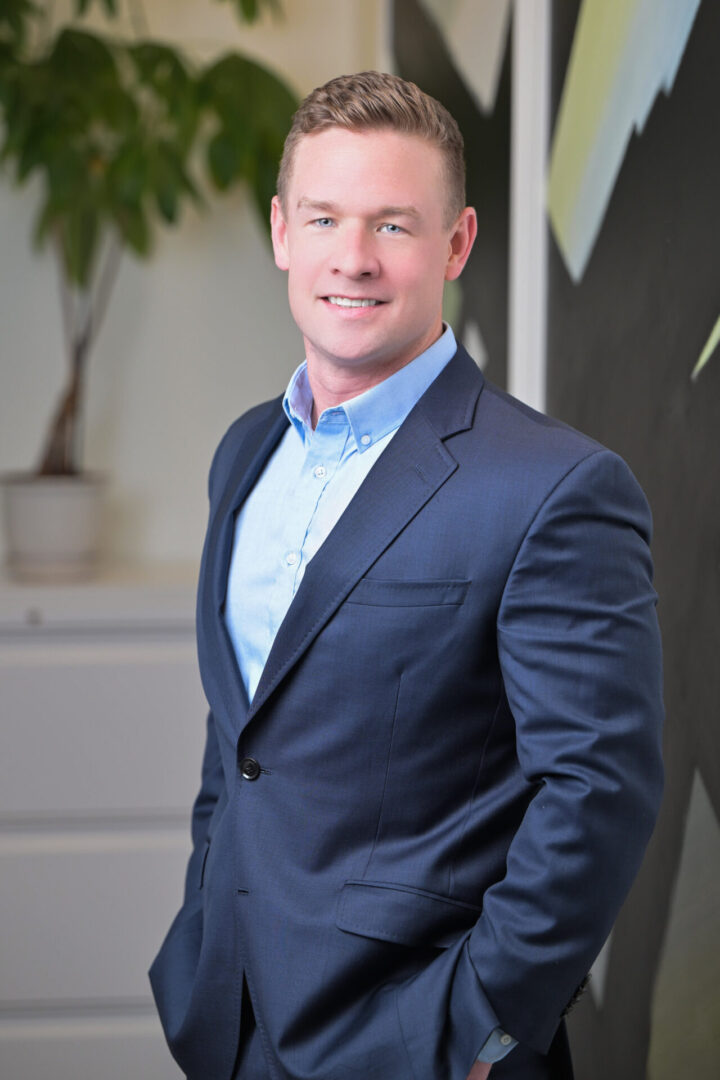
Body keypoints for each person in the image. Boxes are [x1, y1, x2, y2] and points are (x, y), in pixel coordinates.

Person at [149, 71, 664, 1080]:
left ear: (457, 242)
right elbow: (240, 744)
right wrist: (202, 939)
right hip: (228, 1021)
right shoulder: (245, 452)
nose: (353, 257)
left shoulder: (555, 487)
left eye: (394, 225)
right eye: (326, 217)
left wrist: (479, 1028)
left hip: (417, 1043)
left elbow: (599, 791)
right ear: (280, 232)